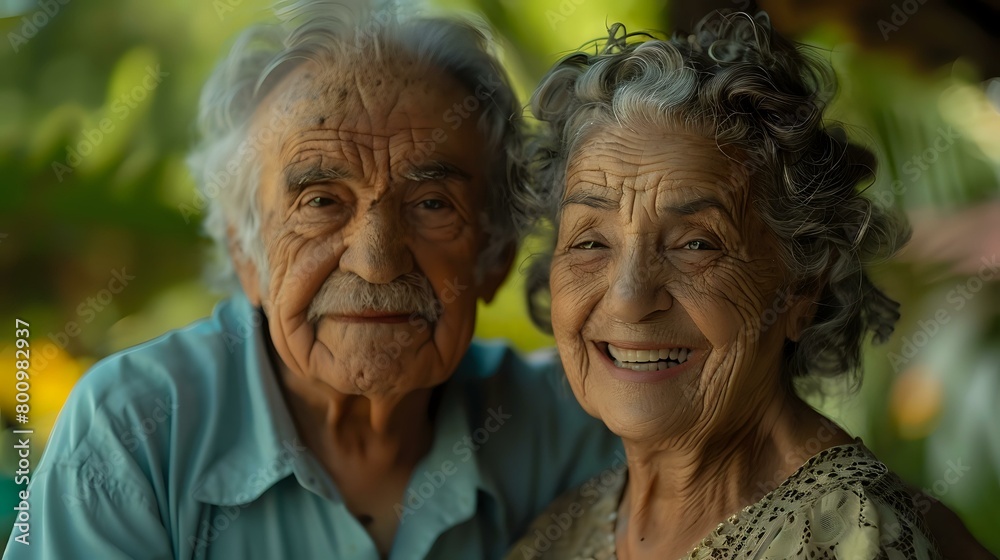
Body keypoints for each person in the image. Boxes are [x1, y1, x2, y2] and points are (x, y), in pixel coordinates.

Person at [2, 2, 619, 559]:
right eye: (321, 201)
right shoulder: (135, 435)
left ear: (496, 254)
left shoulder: (575, 431)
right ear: (246, 253)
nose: (377, 262)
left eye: (432, 204)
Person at [511, 11, 992, 559]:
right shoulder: (566, 528)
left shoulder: (850, 539)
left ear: (803, 285)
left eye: (696, 244)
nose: (627, 297)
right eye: (590, 242)